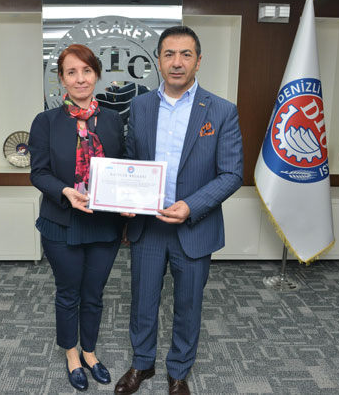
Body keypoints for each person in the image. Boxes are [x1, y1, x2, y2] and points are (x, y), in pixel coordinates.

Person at [114, 26, 243, 395]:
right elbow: (131, 161)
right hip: (149, 227)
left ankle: (179, 372)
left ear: (198, 62)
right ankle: (142, 364)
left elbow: (232, 174)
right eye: (169, 54)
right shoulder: (140, 106)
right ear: (158, 60)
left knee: (188, 304)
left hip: (194, 227)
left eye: (186, 54)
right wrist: (126, 199)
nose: (177, 62)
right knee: (143, 301)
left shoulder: (221, 111)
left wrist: (192, 206)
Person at [29, 44, 124, 391]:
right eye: (71, 72)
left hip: (104, 225)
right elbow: (39, 173)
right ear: (61, 79)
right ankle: (72, 355)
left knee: (94, 293)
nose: (80, 79)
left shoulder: (112, 119)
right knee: (69, 293)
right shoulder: (46, 122)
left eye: (86, 71)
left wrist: (130, 198)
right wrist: (66, 192)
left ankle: (90, 352)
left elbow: (123, 167)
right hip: (62, 224)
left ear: (96, 75)